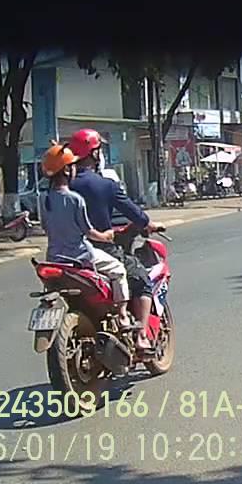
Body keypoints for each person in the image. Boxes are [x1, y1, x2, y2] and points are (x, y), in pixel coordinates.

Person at [66, 129, 158, 350]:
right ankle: (141, 337)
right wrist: (148, 224)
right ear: (94, 153)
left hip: (63, 254)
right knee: (141, 279)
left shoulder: (61, 186)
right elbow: (135, 214)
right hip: (99, 249)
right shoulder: (105, 185)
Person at [38, 142, 132, 314]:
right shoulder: (75, 199)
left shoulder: (43, 199)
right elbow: (89, 232)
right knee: (118, 270)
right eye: (73, 165)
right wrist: (106, 236)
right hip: (80, 256)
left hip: (54, 258)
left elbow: (45, 226)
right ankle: (123, 314)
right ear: (67, 170)